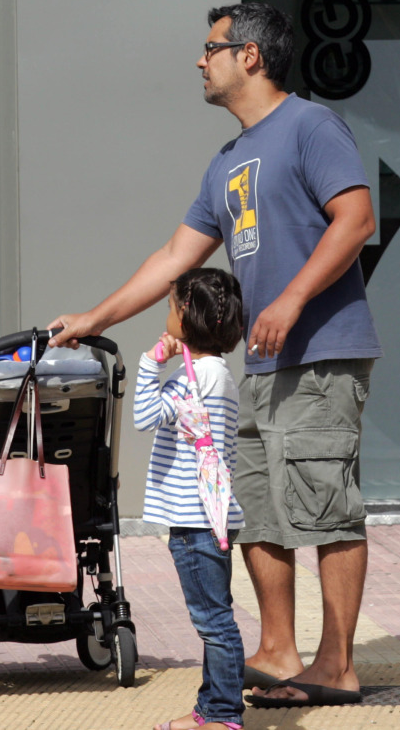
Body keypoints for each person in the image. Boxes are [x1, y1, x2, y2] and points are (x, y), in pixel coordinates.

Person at [48, 2, 381, 709]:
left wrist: (288, 301)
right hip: (261, 364)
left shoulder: (311, 127)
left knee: (325, 509)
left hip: (320, 354)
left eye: (212, 47)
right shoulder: (228, 159)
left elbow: (356, 219)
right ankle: (281, 650)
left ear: (251, 56)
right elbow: (175, 257)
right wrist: (92, 317)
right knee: (256, 511)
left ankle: (338, 664)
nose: (201, 60)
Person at [134, 269, 247, 730]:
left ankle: (223, 713)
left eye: (170, 307)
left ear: (186, 315)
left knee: (214, 621)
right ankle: (211, 708)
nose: (166, 316)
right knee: (213, 618)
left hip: (196, 521)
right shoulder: (213, 374)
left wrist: (149, 362)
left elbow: (143, 416)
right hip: (206, 519)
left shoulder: (194, 379)